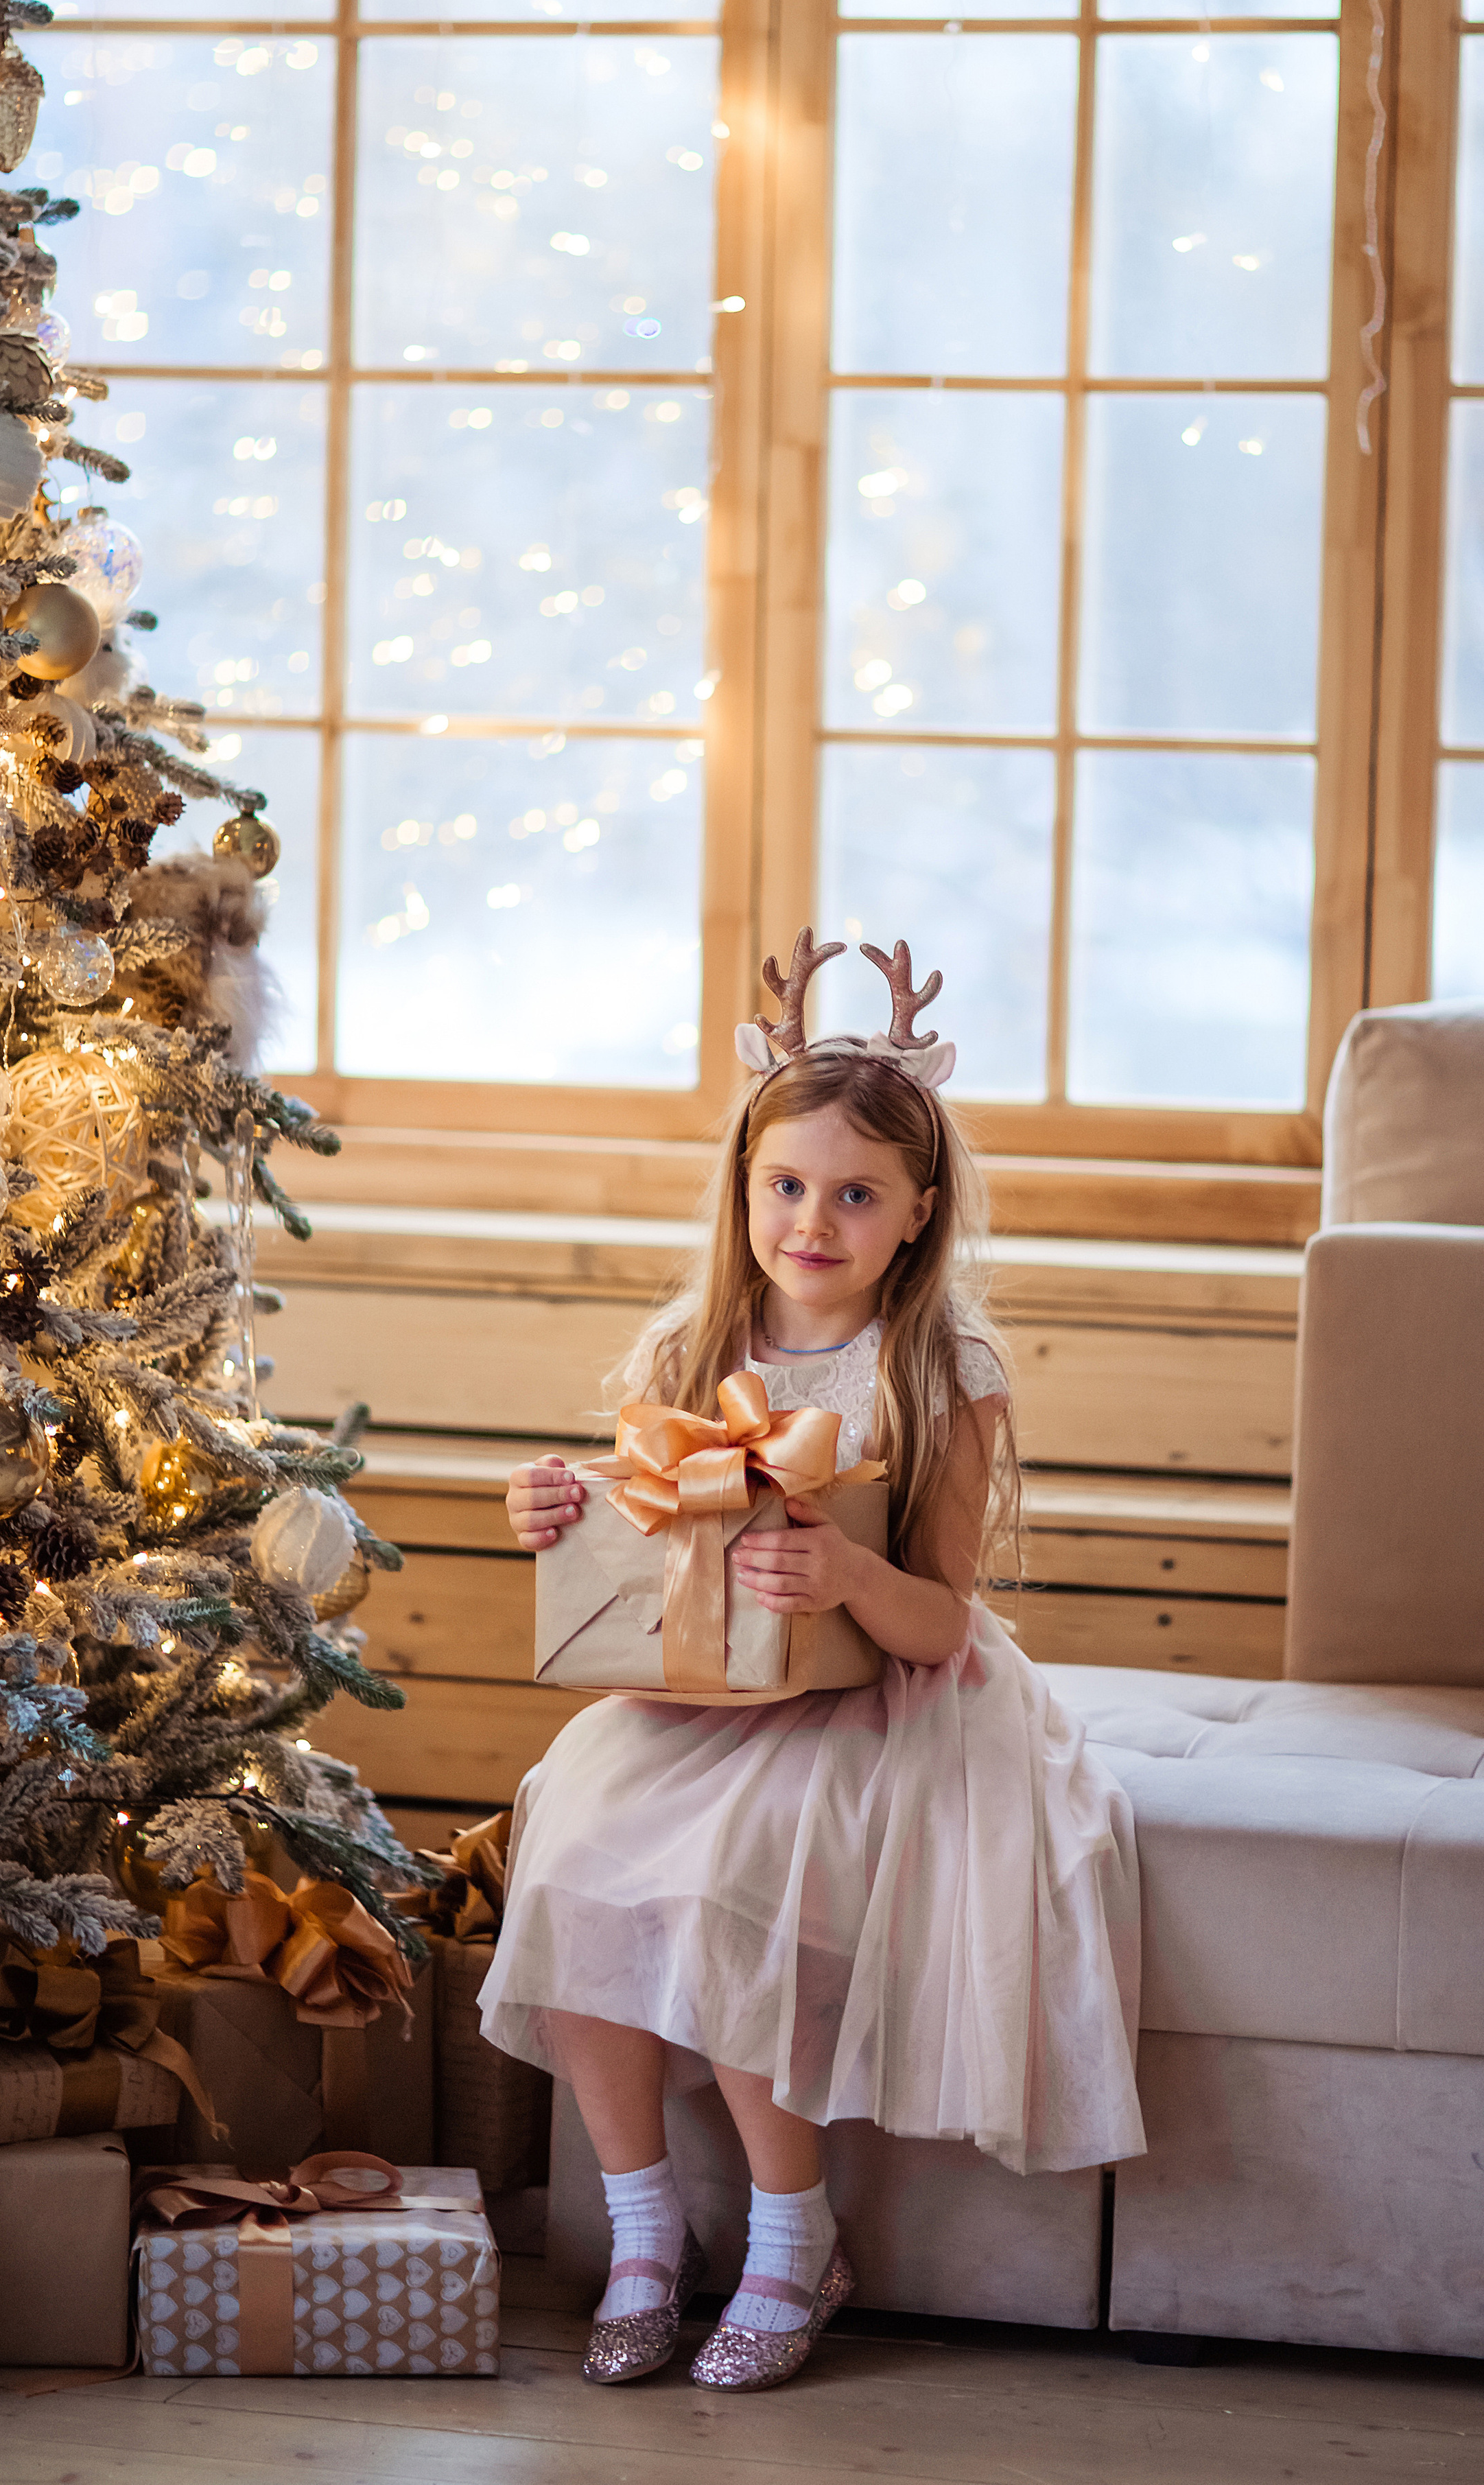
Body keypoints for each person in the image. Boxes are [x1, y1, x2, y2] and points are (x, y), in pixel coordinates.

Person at [478, 930, 1146, 2392]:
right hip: (707, 1688)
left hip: (877, 1699)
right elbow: (644, 1558)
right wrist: (551, 1514)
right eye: (784, 1185)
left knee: (737, 1880)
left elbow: (941, 1619)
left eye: (855, 1195)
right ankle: (644, 2230)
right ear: (743, 1190)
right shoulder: (693, 1342)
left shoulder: (942, 1372)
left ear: (915, 1214)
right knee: (576, 1846)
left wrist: (845, 1569)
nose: (813, 1221)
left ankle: (792, 2239)